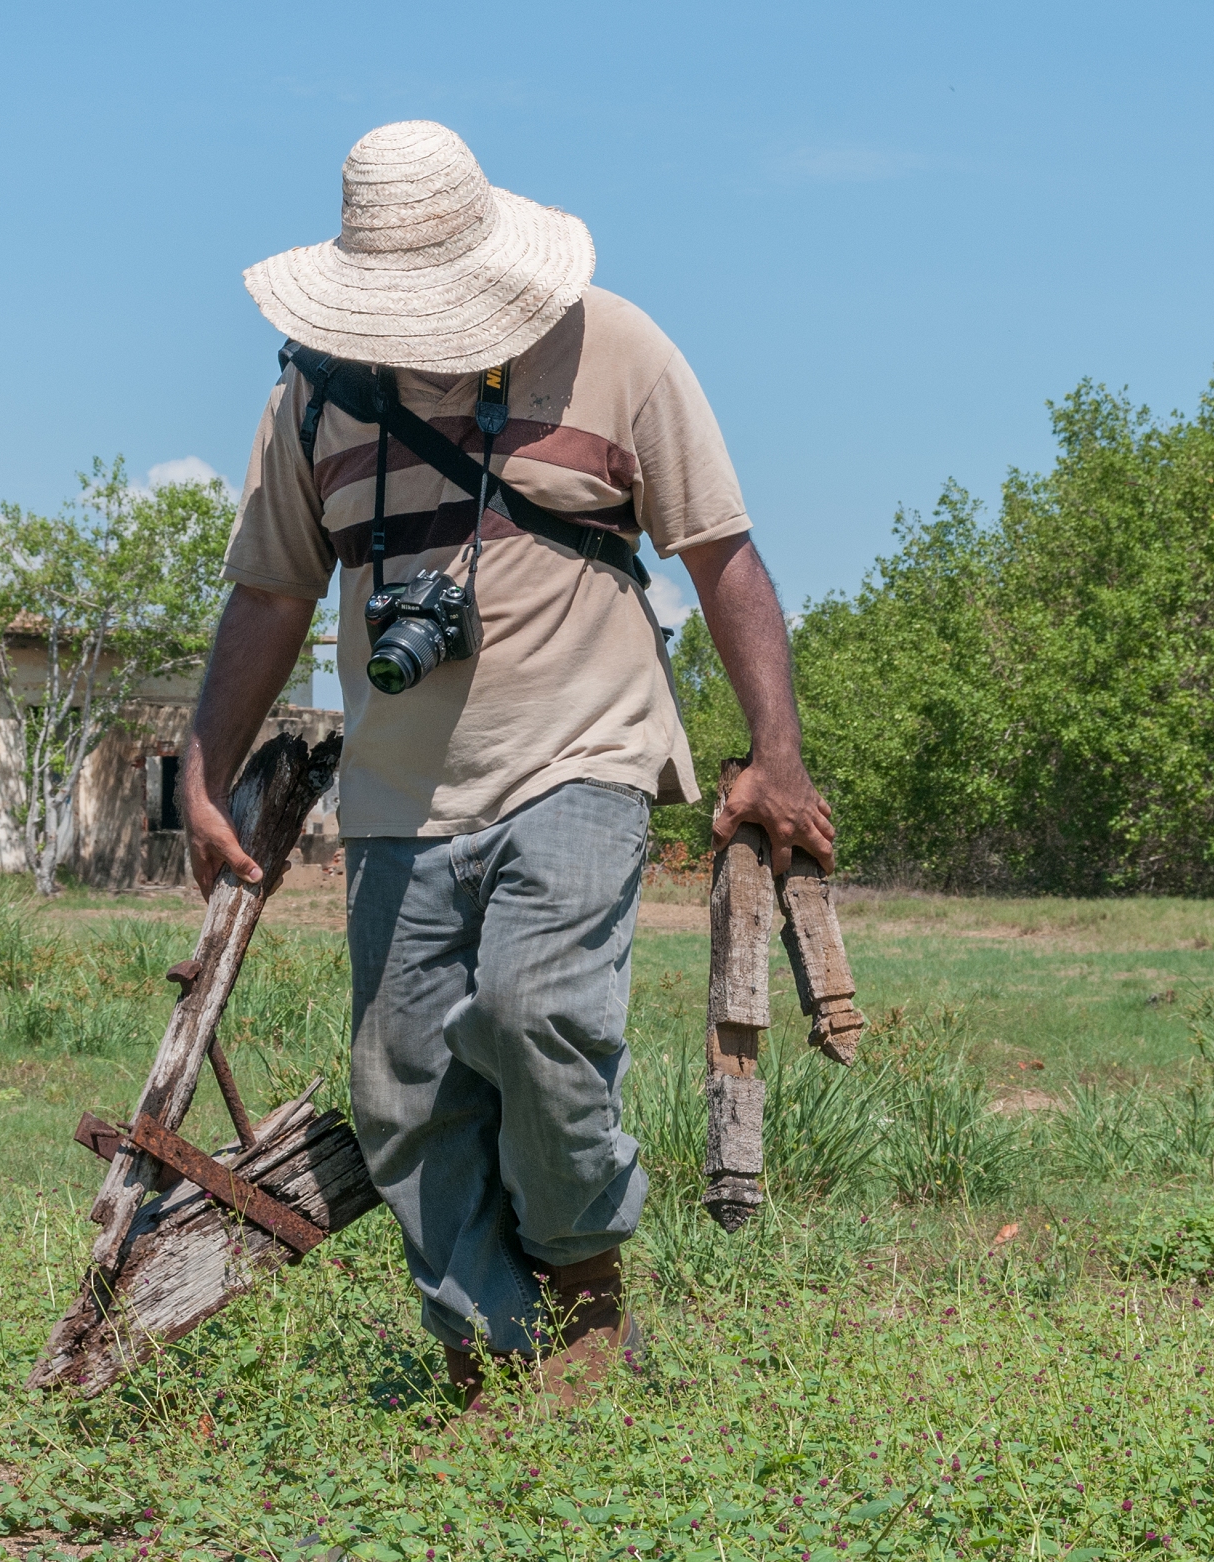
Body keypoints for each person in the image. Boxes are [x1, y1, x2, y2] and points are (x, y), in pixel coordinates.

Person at [181, 121, 835, 1412]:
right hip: (398, 796)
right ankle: (488, 1345)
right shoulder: (312, 394)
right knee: (403, 1079)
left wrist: (778, 752)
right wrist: (201, 769)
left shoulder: (617, 349)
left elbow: (723, 554)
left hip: (582, 748)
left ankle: (587, 1305)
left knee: (538, 1009)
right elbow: (267, 596)